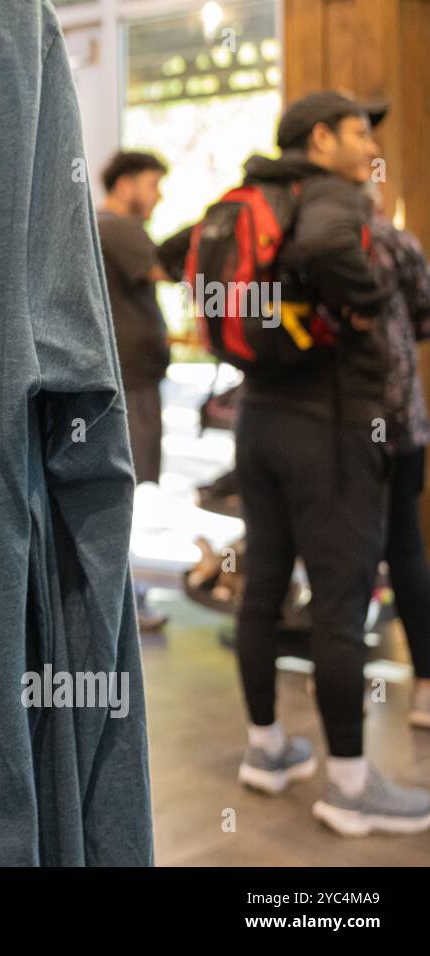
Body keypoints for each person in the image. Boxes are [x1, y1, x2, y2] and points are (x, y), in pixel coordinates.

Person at [232, 91, 430, 836]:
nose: (365, 142)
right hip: (331, 425)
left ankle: (266, 750)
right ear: (320, 138)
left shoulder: (254, 192)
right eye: (356, 129)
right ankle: (350, 785)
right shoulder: (331, 197)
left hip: (260, 418)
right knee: (341, 606)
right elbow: (322, 251)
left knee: (263, 589)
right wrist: (373, 303)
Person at [97, 151, 173, 632]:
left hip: (132, 379)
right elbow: (169, 272)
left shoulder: (105, 226)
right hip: (131, 384)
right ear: (125, 184)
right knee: (122, 491)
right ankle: (122, 601)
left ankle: (124, 597)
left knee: (125, 490)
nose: (158, 195)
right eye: (152, 184)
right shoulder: (116, 227)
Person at [367, 184, 430, 729]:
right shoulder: (398, 243)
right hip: (403, 423)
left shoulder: (309, 243)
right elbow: (425, 319)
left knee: (342, 551)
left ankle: (335, 669)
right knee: (406, 548)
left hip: (345, 429)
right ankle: (426, 688)